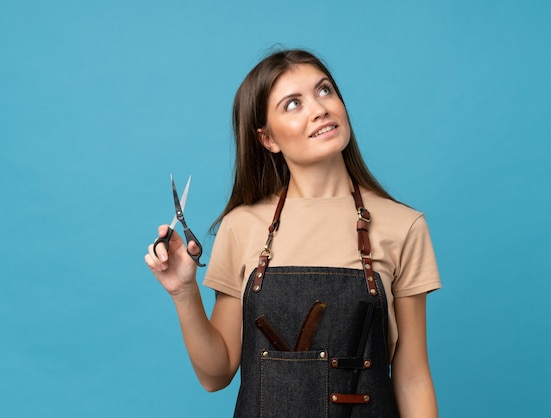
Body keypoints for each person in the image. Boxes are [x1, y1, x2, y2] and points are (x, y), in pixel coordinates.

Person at [145, 49, 441, 417]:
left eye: (325, 91)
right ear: (267, 138)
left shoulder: (404, 226)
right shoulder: (241, 226)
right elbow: (215, 374)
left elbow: (412, 377)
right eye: (293, 104)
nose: (319, 109)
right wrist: (184, 292)